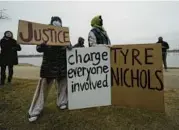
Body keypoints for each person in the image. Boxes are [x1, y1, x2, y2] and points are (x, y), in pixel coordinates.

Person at [28, 16, 72, 122]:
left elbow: (70, 48)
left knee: (63, 86)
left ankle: (62, 102)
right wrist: (43, 44)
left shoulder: (64, 35)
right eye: (56, 22)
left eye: (59, 22)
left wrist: (69, 46)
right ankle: (35, 110)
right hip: (49, 66)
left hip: (62, 66)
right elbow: (38, 48)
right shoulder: (45, 34)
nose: (58, 24)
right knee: (42, 89)